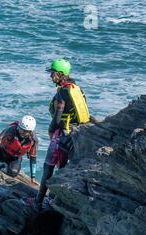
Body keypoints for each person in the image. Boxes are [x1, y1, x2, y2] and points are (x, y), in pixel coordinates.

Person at [28, 58, 90, 210]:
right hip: (77, 132)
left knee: (48, 166)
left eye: (53, 73)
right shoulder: (76, 88)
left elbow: (57, 116)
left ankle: (38, 202)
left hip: (63, 133)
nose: (51, 76)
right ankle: (54, 197)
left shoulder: (62, 92)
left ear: (61, 74)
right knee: (62, 166)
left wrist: (50, 130)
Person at [0, 115, 39, 185]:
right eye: (20, 128)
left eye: (25, 131)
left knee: (13, 173)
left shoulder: (33, 140)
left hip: (14, 158)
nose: (21, 131)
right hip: (1, 152)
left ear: (30, 132)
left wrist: (33, 178)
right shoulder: (11, 130)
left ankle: (4, 167)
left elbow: (33, 158)